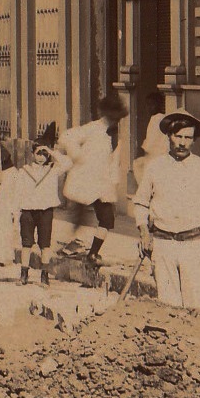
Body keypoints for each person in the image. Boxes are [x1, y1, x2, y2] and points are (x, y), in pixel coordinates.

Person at [131, 110, 200, 310]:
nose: (182, 143)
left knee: (197, 307)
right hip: (163, 245)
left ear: (193, 140)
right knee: (168, 307)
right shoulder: (155, 167)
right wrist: (144, 233)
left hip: (194, 246)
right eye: (178, 136)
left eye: (188, 138)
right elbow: (141, 203)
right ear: (169, 136)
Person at [55, 92, 130, 270]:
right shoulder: (93, 128)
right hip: (87, 181)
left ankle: (92, 253)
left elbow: (114, 161)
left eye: (117, 117)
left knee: (106, 219)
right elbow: (66, 137)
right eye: (113, 116)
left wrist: (114, 182)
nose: (115, 120)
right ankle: (77, 248)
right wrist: (79, 157)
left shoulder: (116, 135)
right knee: (82, 217)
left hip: (102, 185)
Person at [5, 124, 64, 283]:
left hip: (45, 211)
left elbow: (67, 163)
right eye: (38, 153)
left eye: (44, 154)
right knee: (26, 244)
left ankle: (44, 275)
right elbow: (17, 193)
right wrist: (14, 212)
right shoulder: (24, 171)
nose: (41, 157)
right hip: (28, 212)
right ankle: (24, 273)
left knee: (45, 244)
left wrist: (51, 150)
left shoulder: (53, 170)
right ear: (32, 154)